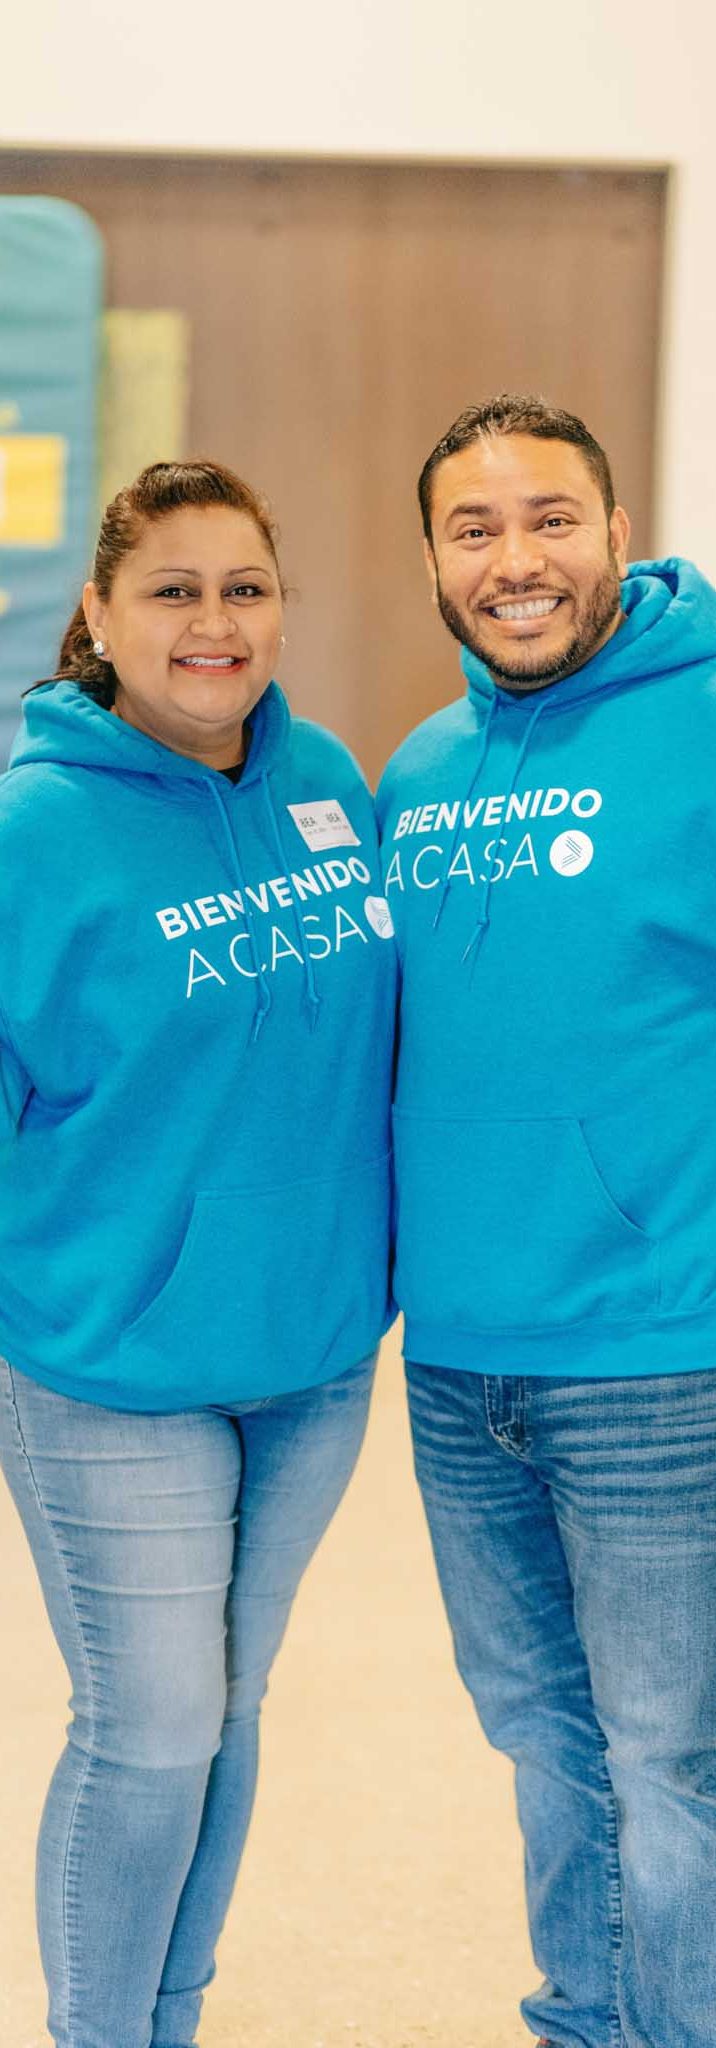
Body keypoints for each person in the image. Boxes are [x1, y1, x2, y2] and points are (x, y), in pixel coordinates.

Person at [0, 458, 396, 2048]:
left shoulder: (333, 788)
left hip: (308, 1365)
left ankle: (170, 2018)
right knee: (153, 1725)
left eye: (245, 587)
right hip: (114, 1365)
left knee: (225, 1719)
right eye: (173, 589)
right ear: (101, 614)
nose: (214, 622)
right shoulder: (33, 827)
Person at [376, 394, 716, 2048]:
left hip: (661, 1350)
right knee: (544, 1740)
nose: (517, 561)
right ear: (436, 562)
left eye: (551, 519)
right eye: (475, 529)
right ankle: (589, 2025)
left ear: (617, 533)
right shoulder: (418, 769)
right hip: (462, 1363)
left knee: (671, 1760)